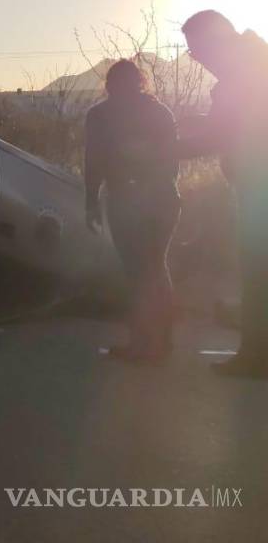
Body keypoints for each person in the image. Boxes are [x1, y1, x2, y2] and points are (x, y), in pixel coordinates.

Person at [176, 10, 268, 377]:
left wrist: (164, 149)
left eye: (197, 52)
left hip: (260, 189)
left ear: (217, 43)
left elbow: (223, 134)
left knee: (258, 272)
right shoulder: (256, 60)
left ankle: (257, 357)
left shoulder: (244, 74)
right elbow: (227, 125)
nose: (198, 61)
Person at [85, 59, 179, 362]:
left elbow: (94, 161)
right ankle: (161, 341)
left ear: (109, 84)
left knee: (138, 273)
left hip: (126, 197)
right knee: (155, 268)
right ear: (141, 81)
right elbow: (172, 164)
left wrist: (91, 201)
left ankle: (143, 343)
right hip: (163, 197)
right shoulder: (160, 112)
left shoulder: (100, 115)